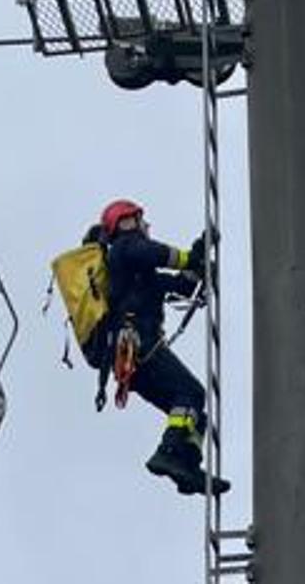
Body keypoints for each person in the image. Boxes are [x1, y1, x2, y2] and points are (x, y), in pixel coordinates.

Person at [85, 198, 231, 496]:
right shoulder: (125, 250)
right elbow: (158, 254)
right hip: (138, 347)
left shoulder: (140, 275)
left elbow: (181, 287)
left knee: (194, 410)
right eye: (140, 220)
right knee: (191, 393)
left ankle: (185, 465)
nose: (146, 227)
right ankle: (168, 452)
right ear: (126, 223)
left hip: (134, 361)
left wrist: (198, 263)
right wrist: (190, 257)